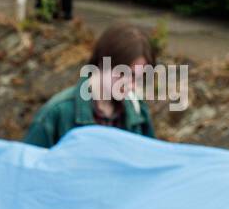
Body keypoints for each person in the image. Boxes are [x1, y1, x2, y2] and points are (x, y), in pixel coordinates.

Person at [23, 23, 156, 147]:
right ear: (102, 63)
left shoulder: (139, 112)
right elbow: (29, 167)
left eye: (139, 78)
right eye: (124, 74)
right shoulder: (56, 114)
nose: (132, 86)